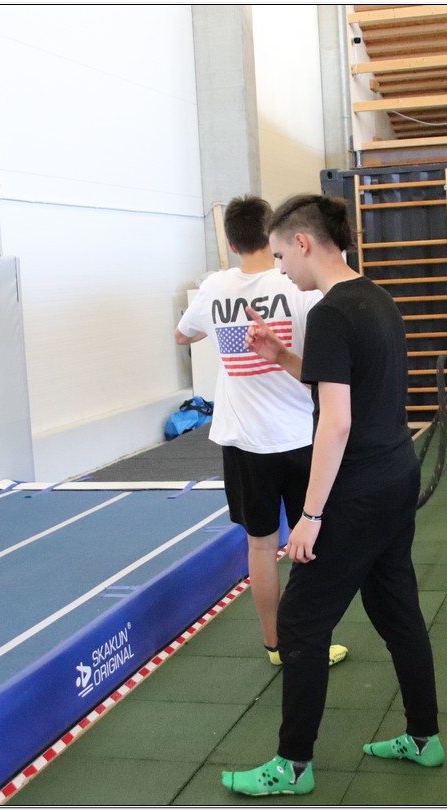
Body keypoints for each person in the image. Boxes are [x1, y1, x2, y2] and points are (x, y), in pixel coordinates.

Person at [220, 194, 443, 797]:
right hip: (396, 474)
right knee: (396, 611)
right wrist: (280, 355)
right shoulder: (375, 299)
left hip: (358, 490)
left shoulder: (331, 312)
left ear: (303, 243)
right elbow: (340, 383)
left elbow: (336, 422)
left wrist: (311, 514)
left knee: (299, 623)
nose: (280, 270)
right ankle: (424, 737)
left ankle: (292, 766)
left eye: (280, 256)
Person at [174, 195, 347, 669]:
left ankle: (275, 645)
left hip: (245, 442)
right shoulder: (297, 281)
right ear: (273, 235)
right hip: (300, 436)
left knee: (261, 545)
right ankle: (309, 641)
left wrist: (218, 322)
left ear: (231, 243)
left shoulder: (215, 286)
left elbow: (182, 334)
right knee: (310, 542)